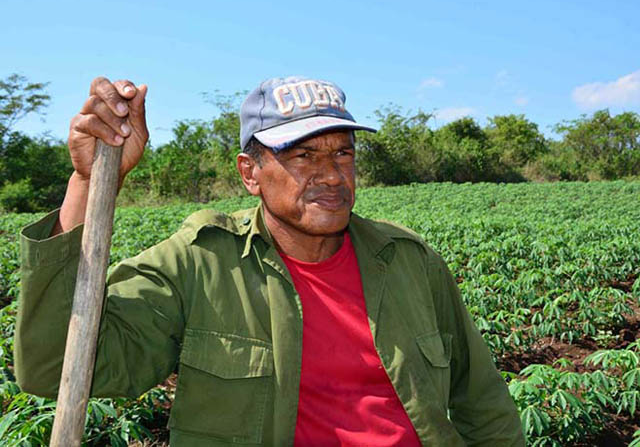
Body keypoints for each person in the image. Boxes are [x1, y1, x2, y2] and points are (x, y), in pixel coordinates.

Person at [16, 76, 525, 446]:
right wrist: (87, 183)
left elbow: (484, 407)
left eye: (342, 154)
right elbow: (54, 367)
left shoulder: (411, 262)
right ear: (250, 173)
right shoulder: (200, 263)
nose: (330, 175)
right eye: (303, 156)